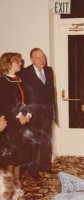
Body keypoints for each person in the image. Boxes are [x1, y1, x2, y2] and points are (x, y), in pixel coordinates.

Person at [18, 48, 56, 178]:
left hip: (47, 113)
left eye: (43, 57)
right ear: (32, 59)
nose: (42, 60)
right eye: (38, 57)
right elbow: (21, 96)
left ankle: (46, 166)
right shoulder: (23, 73)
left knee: (46, 140)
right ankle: (33, 170)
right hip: (32, 114)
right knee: (33, 142)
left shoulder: (49, 71)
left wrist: (53, 110)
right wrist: (24, 113)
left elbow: (51, 92)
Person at [0, 52, 32, 187]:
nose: (21, 63)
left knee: (20, 154)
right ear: (9, 63)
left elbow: (28, 100)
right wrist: (19, 117)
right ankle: (8, 185)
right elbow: (6, 103)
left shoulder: (18, 79)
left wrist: (28, 115)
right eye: (18, 61)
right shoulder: (2, 81)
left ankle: (17, 180)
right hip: (10, 123)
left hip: (22, 122)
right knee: (10, 156)